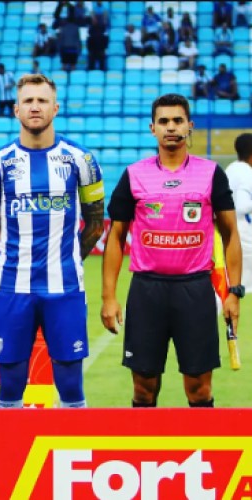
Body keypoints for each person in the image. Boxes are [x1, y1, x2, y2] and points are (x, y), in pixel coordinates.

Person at [101, 93, 242, 408]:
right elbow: (116, 236)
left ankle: (201, 441)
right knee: (143, 389)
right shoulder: (134, 174)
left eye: (178, 120)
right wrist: (108, 297)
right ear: (153, 128)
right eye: (163, 121)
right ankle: (146, 441)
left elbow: (230, 234)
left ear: (190, 126)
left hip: (195, 290)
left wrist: (234, 291)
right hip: (146, 291)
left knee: (199, 389)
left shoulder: (211, 174)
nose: (171, 127)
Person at [0, 73, 105, 409]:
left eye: (42, 101)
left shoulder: (81, 159)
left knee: (70, 384)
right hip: (11, 286)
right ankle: (10, 442)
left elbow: (95, 223)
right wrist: (15, 256)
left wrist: (67, 258)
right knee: (9, 384)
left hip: (65, 286)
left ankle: (72, 443)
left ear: (55, 108)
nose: (35, 107)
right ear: (16, 109)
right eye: (28, 101)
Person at [225, 133, 252, 289]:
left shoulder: (232, 168)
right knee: (242, 285)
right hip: (244, 237)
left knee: (231, 281)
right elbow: (242, 206)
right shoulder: (247, 174)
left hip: (229, 231)